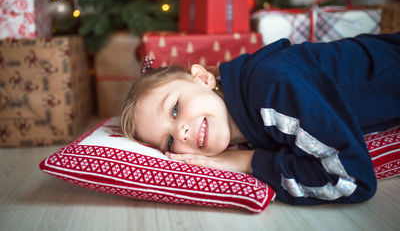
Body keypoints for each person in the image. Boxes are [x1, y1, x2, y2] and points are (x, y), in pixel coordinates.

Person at [120, 32, 400, 205]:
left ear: (203, 78)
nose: (180, 132)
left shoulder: (271, 90)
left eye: (175, 109)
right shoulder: (239, 108)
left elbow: (352, 179)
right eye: (168, 142)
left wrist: (248, 162)